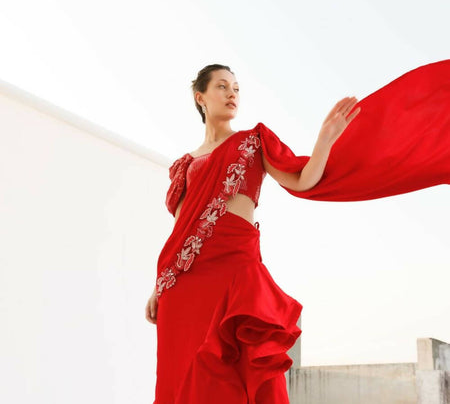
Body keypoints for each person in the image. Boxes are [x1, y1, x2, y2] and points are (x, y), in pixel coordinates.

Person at [146, 61, 450, 404]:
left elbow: (304, 180)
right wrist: (160, 285)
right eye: (222, 86)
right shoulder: (183, 164)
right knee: (183, 374)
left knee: (232, 372)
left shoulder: (253, 141)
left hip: (233, 271)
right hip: (183, 284)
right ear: (200, 97)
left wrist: (325, 139)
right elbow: (180, 227)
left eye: (236, 87)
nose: (232, 93)